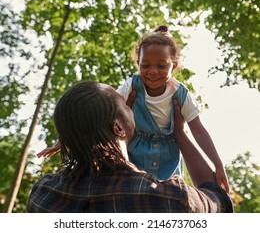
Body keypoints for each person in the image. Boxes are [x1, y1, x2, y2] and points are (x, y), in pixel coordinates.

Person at [37, 25, 229, 192]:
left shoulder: (180, 94)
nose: (153, 71)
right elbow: (104, 112)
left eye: (161, 66)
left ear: (174, 66)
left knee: (168, 194)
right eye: (145, 65)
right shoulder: (132, 86)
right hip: (135, 149)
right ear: (137, 64)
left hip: (168, 153)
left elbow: (199, 131)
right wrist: (64, 140)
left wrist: (218, 164)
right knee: (131, 187)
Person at [27, 80, 233, 213]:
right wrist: (180, 134)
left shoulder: (43, 192)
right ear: (117, 127)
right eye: (126, 105)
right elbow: (218, 201)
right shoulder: (167, 198)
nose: (132, 106)